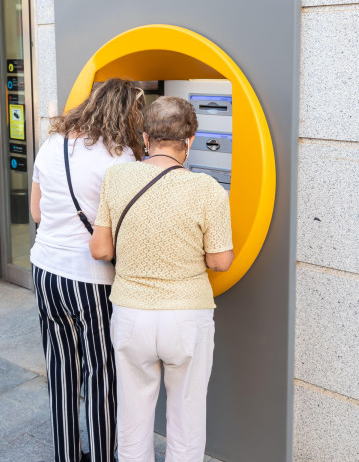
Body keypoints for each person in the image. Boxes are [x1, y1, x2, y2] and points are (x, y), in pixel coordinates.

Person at [89, 96, 234, 462]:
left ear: (145, 137)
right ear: (190, 139)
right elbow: (220, 261)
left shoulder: (117, 177)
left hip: (131, 314)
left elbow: (100, 249)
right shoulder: (208, 190)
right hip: (186, 317)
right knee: (186, 421)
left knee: (134, 419)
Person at [30, 78, 145, 462]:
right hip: (90, 280)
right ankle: (100, 456)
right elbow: (124, 233)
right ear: (128, 114)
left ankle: (65, 454)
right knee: (101, 372)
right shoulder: (121, 160)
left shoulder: (51, 146)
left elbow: (36, 212)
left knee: (60, 368)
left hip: (45, 269)